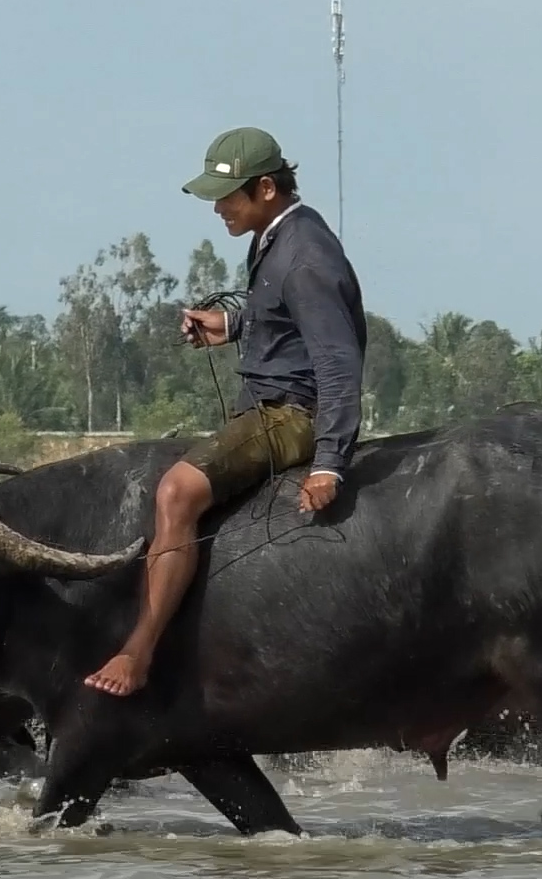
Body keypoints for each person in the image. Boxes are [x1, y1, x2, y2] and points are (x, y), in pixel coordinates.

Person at [83, 126, 367, 697]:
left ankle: (139, 653)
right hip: (267, 402)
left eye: (227, 195)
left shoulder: (303, 255)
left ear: (266, 188)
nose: (218, 209)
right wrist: (232, 324)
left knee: (175, 493)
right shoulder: (277, 237)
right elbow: (284, 317)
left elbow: (337, 363)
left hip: (292, 413)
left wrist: (330, 461)